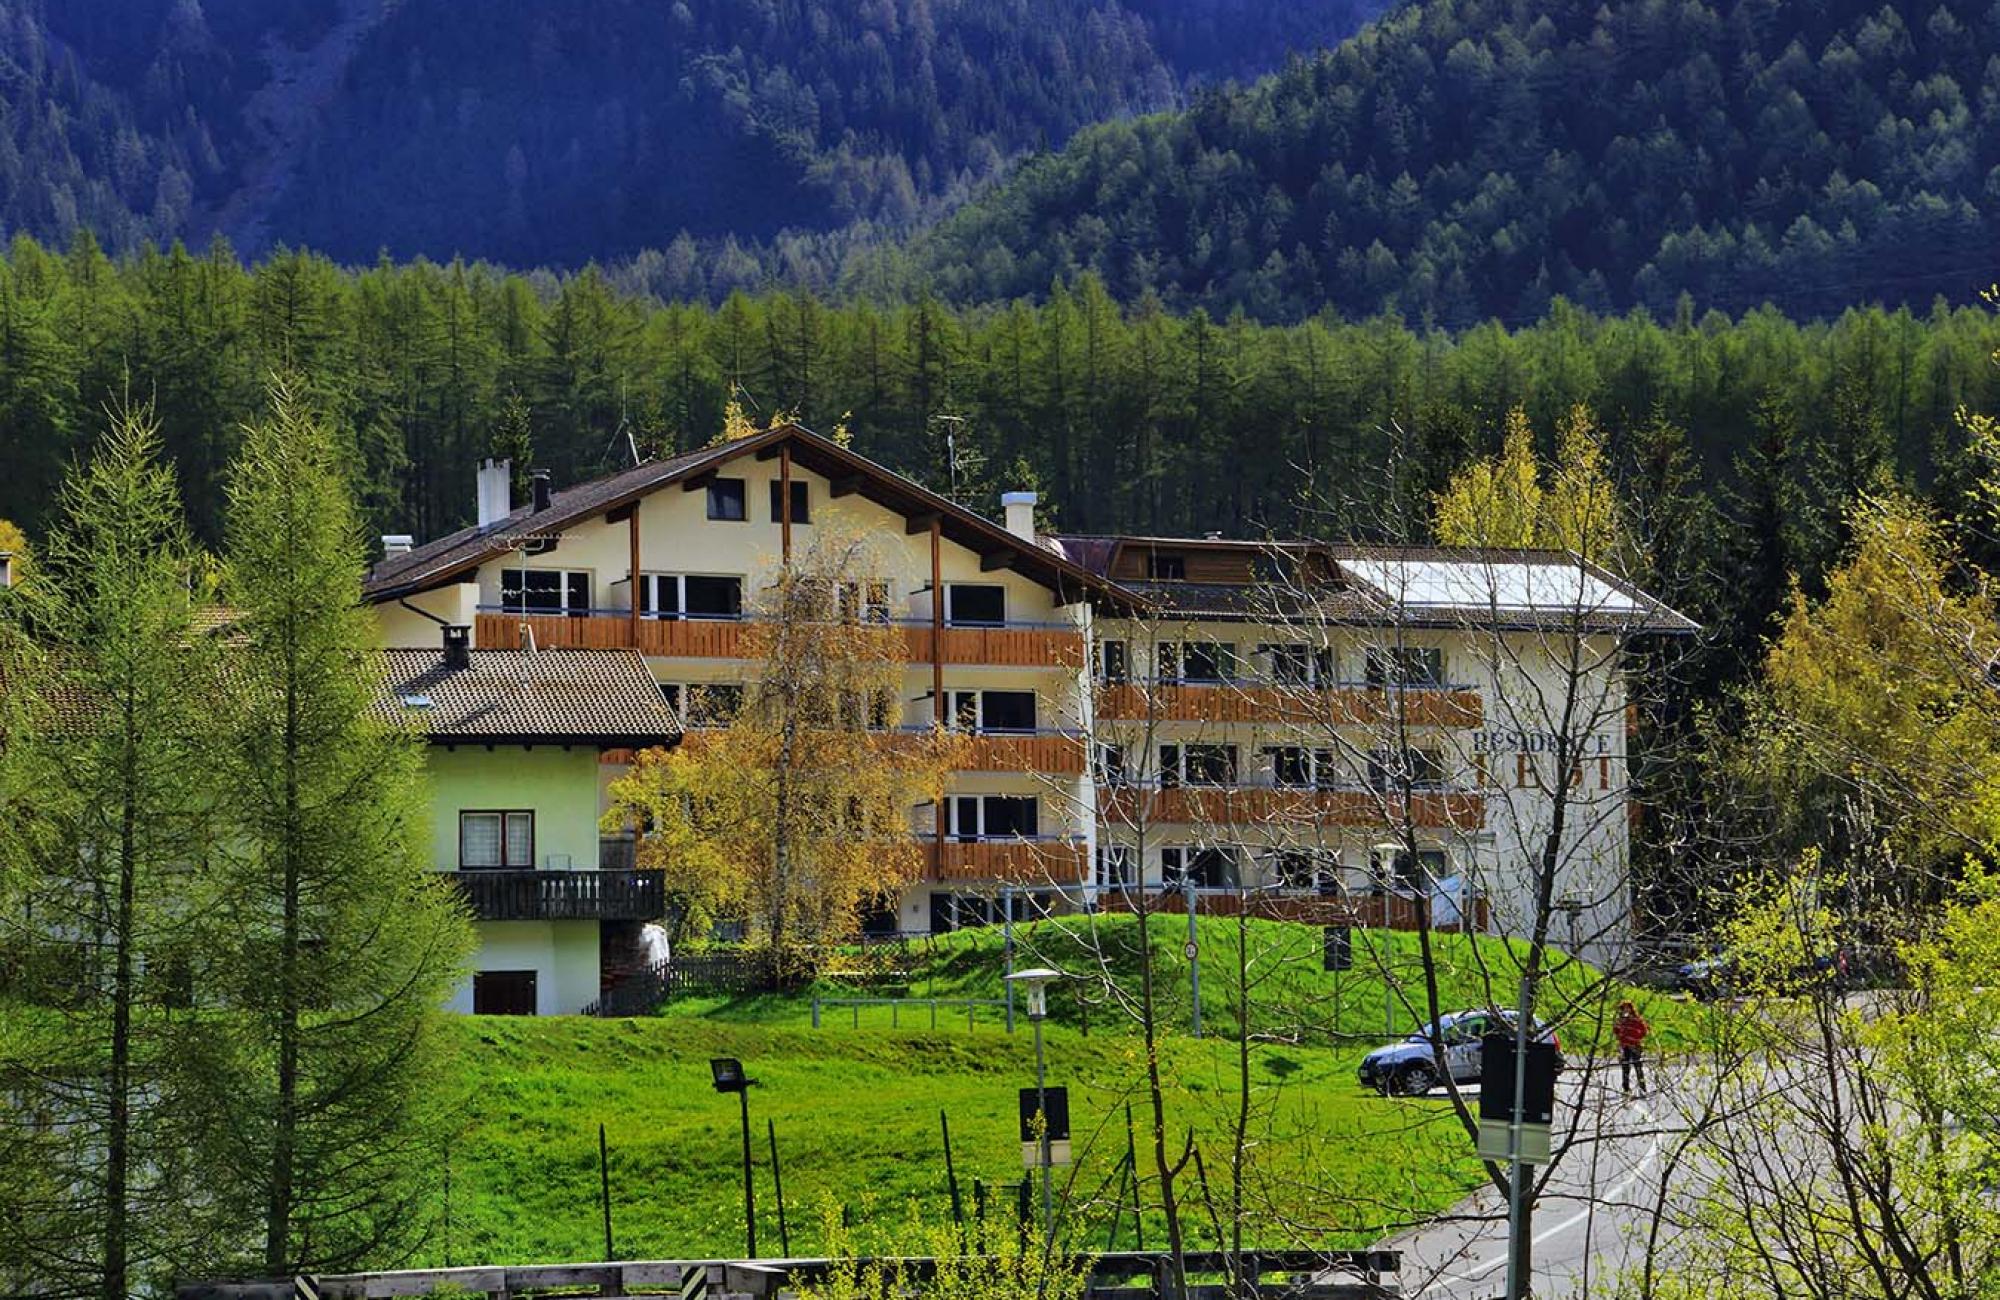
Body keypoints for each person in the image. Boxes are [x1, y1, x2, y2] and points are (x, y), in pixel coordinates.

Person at [1614, 999, 1650, 1095]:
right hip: (1625, 1046)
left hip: (1635, 1046)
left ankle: (1642, 1088)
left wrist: (1636, 1038)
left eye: (1628, 1008)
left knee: (1638, 1067)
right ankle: (1626, 1088)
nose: (1626, 1011)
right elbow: (1616, 1032)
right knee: (1625, 1067)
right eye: (1624, 1009)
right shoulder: (1621, 1021)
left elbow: (1644, 1031)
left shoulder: (1637, 1019)